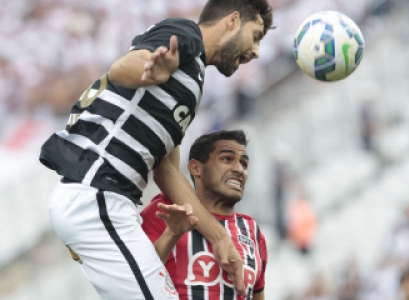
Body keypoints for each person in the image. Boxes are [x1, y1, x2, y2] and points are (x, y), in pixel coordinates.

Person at [39, 1, 274, 299]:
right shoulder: (186, 34)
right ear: (232, 20)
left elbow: (168, 172)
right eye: (255, 36)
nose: (256, 51)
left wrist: (219, 238)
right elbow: (122, 68)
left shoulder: (192, 81)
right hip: (97, 198)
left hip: (106, 205)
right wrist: (150, 70)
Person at [141, 130, 268, 299]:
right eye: (227, 159)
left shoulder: (252, 231)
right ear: (196, 168)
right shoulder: (165, 210)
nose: (239, 169)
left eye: (244, 164)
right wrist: (172, 234)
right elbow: (134, 280)